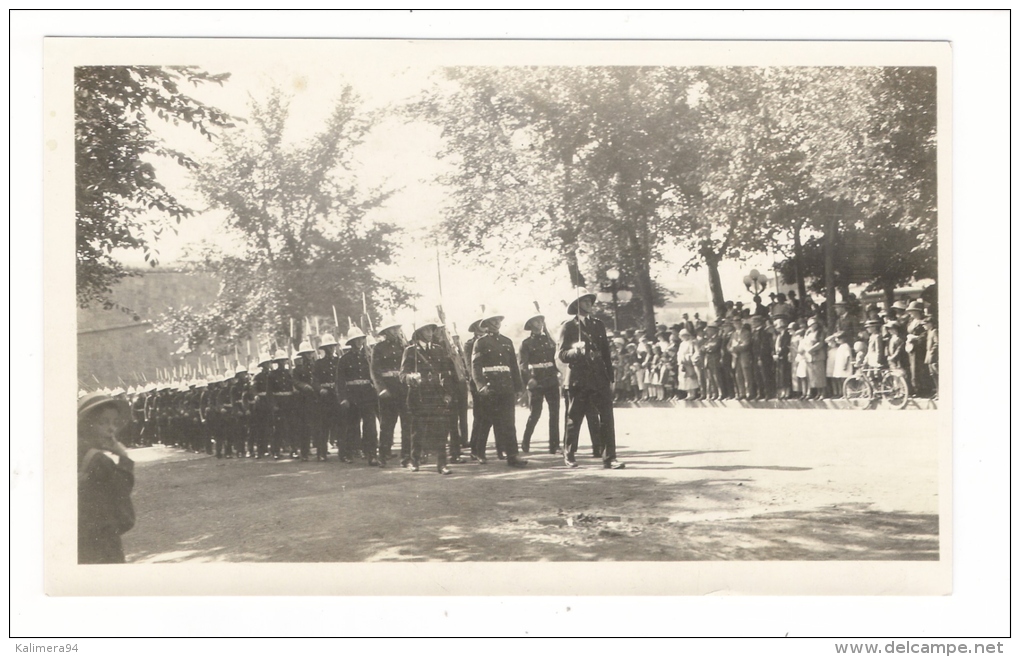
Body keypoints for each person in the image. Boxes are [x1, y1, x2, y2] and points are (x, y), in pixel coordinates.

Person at [558, 289, 625, 470]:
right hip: (579, 378)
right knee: (574, 418)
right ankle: (569, 454)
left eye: (590, 300)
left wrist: (610, 377)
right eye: (585, 301)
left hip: (599, 377)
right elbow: (561, 354)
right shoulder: (568, 326)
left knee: (606, 418)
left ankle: (609, 458)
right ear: (577, 304)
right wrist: (575, 351)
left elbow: (605, 353)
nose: (589, 303)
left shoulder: (598, 324)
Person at [78, 392, 136, 564]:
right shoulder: (99, 460)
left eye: (114, 423)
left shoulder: (76, 451)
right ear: (86, 425)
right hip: (102, 541)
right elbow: (122, 490)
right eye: (103, 422)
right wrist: (124, 457)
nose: (111, 429)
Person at [471, 311, 529, 467]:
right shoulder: (481, 342)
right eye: (493, 320)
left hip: (506, 386)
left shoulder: (507, 341)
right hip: (490, 387)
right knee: (486, 421)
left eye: (498, 320)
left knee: (509, 422)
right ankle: (479, 452)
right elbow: (475, 367)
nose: (497, 323)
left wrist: (518, 387)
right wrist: (480, 385)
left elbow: (513, 367)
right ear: (487, 324)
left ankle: (513, 455)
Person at [400, 320, 458, 474]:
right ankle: (415, 461)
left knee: (441, 430)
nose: (430, 333)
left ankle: (442, 464)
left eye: (431, 330)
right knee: (417, 431)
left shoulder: (438, 350)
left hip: (436, 395)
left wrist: (447, 393)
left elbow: (445, 373)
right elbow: (402, 374)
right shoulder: (410, 351)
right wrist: (411, 377)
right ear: (419, 332)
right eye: (426, 330)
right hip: (418, 396)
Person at [338, 327, 381, 466]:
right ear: (351, 342)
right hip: (352, 396)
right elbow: (340, 381)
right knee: (352, 427)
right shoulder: (344, 359)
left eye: (360, 339)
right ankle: (349, 453)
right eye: (355, 339)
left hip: (368, 395)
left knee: (370, 426)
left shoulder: (368, 357)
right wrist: (343, 398)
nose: (358, 342)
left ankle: (372, 454)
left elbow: (375, 374)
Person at [518, 314, 561, 454]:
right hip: (536, 380)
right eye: (536, 321)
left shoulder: (549, 340)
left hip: (551, 379)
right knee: (535, 413)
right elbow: (523, 365)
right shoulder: (526, 343)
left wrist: (559, 372)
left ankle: (554, 445)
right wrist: (529, 379)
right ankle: (526, 441)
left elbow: (556, 359)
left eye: (541, 320)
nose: (540, 323)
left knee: (554, 413)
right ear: (530, 324)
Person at [371, 321, 409, 465]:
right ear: (386, 332)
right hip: (388, 389)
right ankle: (383, 455)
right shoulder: (378, 348)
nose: (396, 331)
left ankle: (406, 457)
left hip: (403, 387)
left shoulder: (404, 346)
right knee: (387, 424)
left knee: (407, 423)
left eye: (397, 328)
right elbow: (374, 371)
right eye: (392, 329)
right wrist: (381, 389)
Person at [313, 333, 342, 461]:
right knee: (323, 426)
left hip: (337, 396)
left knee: (341, 425)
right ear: (324, 349)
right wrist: (320, 389)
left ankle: (344, 453)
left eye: (333, 346)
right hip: (325, 398)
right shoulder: (318, 364)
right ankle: (321, 453)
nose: (331, 349)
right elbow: (314, 381)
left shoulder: (339, 362)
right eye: (329, 347)